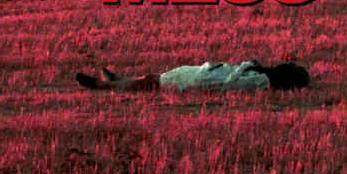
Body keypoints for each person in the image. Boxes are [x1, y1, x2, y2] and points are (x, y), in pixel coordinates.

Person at [75, 60, 310, 92]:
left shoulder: (263, 80)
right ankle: (117, 80)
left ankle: (103, 86)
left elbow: (231, 85)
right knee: (152, 78)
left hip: (202, 79)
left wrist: (245, 65)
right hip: (205, 72)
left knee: (151, 82)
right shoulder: (264, 75)